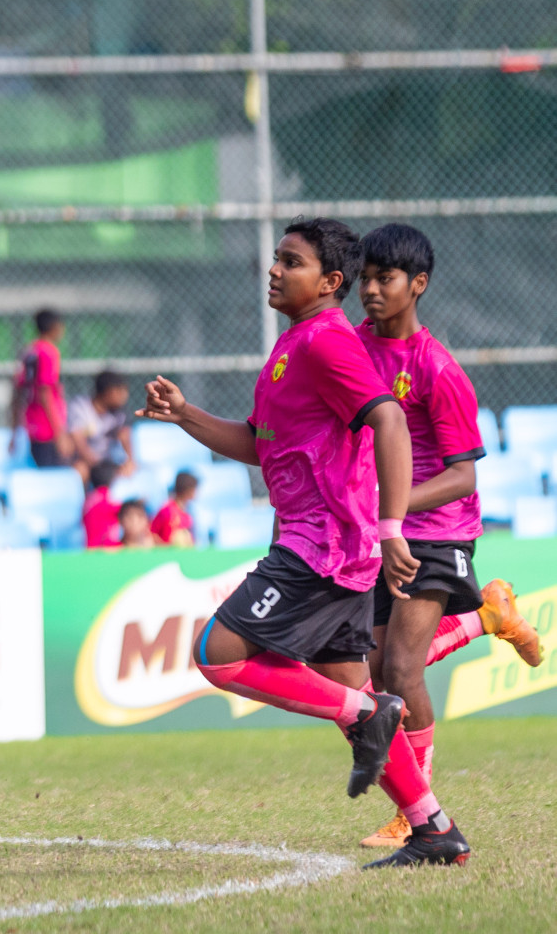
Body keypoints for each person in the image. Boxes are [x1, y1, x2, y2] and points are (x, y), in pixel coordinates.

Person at [137, 217, 470, 869]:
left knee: (216, 652)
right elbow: (259, 446)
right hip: (324, 546)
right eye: (276, 258)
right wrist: (186, 415)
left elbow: (390, 419)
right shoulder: (292, 349)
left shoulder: (327, 343)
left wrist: (392, 523)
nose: (274, 269)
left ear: (330, 282)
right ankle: (434, 830)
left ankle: (368, 717)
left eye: (290, 261)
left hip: (322, 548)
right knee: (355, 696)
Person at [353, 223, 544, 850]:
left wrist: (392, 507)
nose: (372, 290)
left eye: (386, 279)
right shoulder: (353, 349)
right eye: (366, 278)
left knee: (401, 671)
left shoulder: (437, 368)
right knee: (377, 673)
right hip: (382, 530)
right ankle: (488, 618)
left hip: (437, 529)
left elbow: (462, 477)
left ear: (419, 285)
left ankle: (417, 813)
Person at [10, 309, 70, 467]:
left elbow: (18, 392)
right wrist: (60, 434)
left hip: (32, 425)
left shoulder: (28, 351)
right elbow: (45, 392)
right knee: (54, 477)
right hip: (48, 429)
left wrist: (14, 432)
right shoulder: (49, 352)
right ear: (55, 327)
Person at [67, 370, 135, 480]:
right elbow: (79, 442)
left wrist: (129, 462)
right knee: (80, 470)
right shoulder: (80, 407)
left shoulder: (119, 413)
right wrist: (100, 469)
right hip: (85, 461)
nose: (125, 396)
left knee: (127, 471)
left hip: (107, 463)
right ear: (109, 392)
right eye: (121, 391)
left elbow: (125, 438)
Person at [150, 471, 199, 548]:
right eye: (194, 489)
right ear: (187, 490)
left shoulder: (188, 511)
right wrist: (165, 549)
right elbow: (152, 533)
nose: (197, 492)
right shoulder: (167, 510)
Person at [82, 460, 122, 549]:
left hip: (90, 548)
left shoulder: (89, 498)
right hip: (104, 550)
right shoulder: (105, 498)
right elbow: (124, 511)